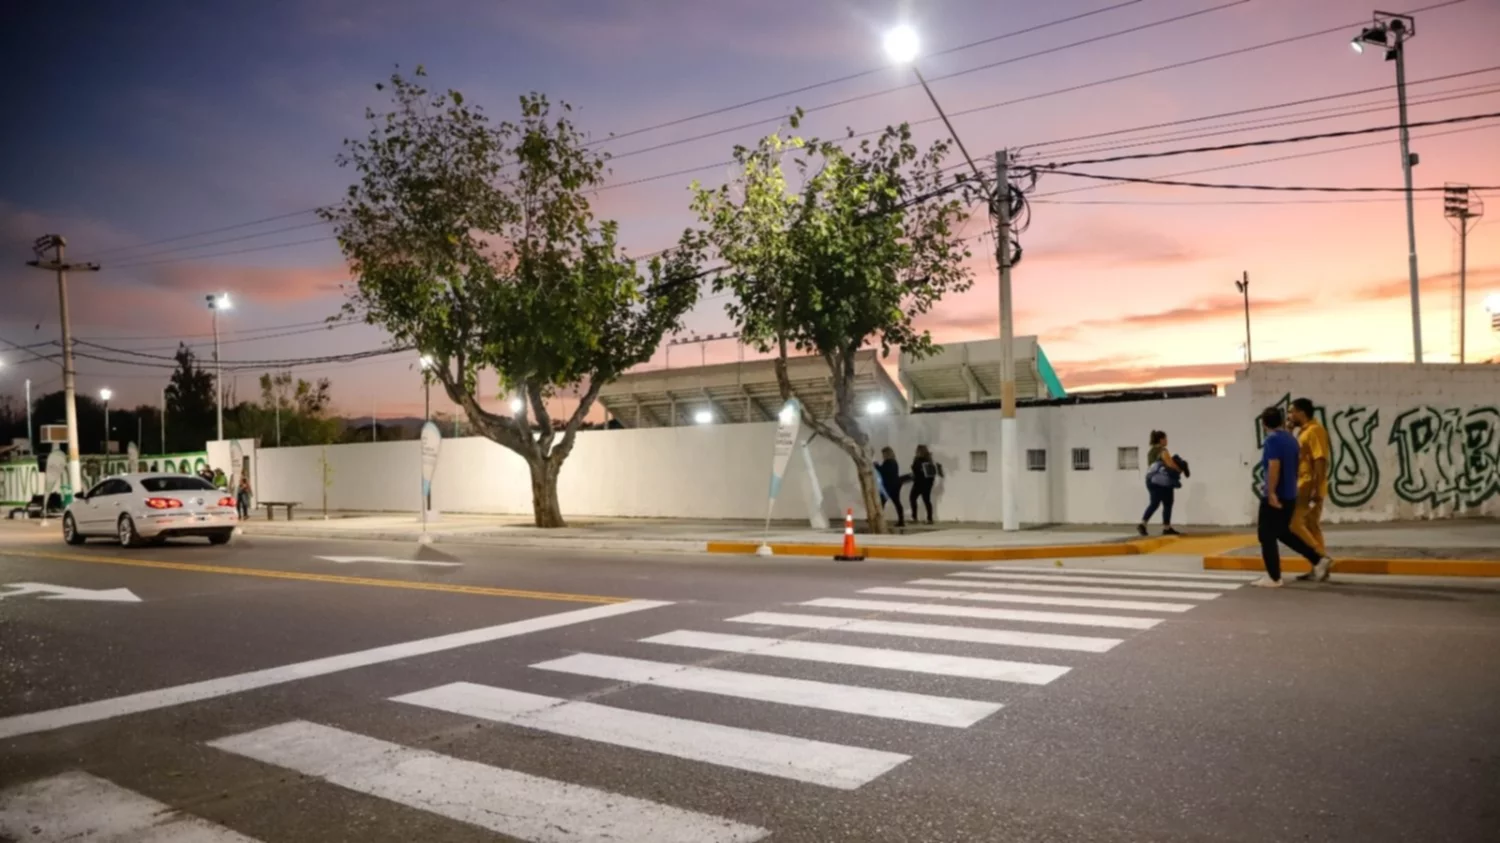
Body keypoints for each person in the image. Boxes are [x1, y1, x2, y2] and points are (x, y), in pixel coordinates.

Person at [1254, 406, 1327, 588]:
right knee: (1283, 532)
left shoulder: (1272, 441)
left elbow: (1273, 467)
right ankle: (1317, 559)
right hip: (1290, 494)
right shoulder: (1291, 439)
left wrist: (1271, 493)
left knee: (1266, 535)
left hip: (1276, 495)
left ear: (1264, 423)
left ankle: (1274, 577)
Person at [1287, 398, 1335, 582]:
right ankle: (1318, 567)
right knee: (1311, 526)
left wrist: (1316, 486)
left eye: (1292, 411)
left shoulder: (1315, 431)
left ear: (1301, 412)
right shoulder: (1303, 432)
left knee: (1293, 524)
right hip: (1305, 483)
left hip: (1308, 485)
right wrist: (1290, 431)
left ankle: (1320, 559)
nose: (1290, 415)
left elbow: (1320, 459)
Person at [1138, 430, 1183, 537]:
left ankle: (1143, 524)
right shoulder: (1163, 451)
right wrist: (1179, 469)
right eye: (1165, 438)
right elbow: (1170, 464)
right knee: (1168, 503)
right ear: (1161, 439)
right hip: (1163, 481)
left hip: (1150, 480)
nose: (1167, 440)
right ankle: (1166, 528)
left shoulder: (1151, 451)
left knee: (1154, 503)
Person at [909, 445, 943, 525]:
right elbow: (916, 470)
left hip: (925, 483)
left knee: (926, 500)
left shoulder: (927, 460)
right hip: (918, 482)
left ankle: (929, 519)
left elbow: (931, 474)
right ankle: (915, 518)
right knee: (913, 498)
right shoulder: (917, 459)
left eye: (918, 450)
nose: (916, 452)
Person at [875, 447, 907, 528]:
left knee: (881, 503)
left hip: (889, 486)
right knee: (896, 502)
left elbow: (883, 472)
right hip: (896, 484)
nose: (883, 455)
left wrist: (876, 465)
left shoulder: (888, 462)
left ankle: (878, 521)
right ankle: (901, 521)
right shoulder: (894, 462)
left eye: (883, 454)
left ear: (886, 454)